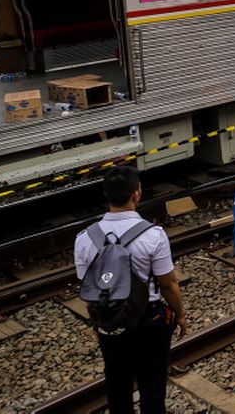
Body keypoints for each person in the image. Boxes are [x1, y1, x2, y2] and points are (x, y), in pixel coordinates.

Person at [74, 166, 186, 414]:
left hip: (109, 320)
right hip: (149, 318)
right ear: (136, 194)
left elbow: (89, 289)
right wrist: (180, 315)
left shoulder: (84, 238)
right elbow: (168, 284)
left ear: (107, 195)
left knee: (116, 384)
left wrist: (99, 324)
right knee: (152, 386)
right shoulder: (153, 235)